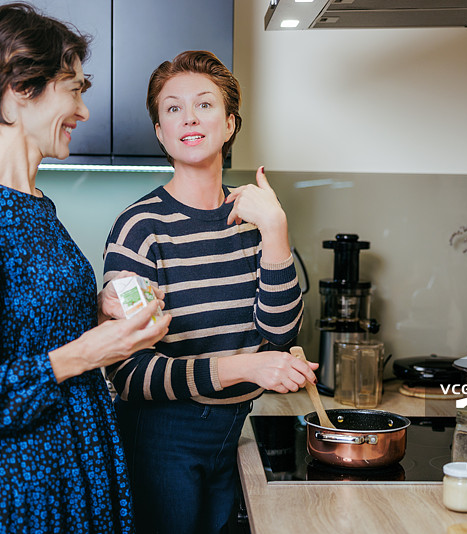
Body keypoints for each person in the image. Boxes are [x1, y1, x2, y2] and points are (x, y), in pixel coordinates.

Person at [0, 4, 170, 533]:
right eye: (74, 88)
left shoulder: (34, 204)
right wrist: (90, 352)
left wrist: (99, 311)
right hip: (13, 497)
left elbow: (29, 320)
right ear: (23, 89)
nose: (84, 110)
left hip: (75, 472)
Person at [102, 50, 317, 534]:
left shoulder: (254, 216)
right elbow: (129, 371)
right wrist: (242, 367)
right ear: (160, 131)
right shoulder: (141, 228)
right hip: (160, 441)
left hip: (233, 432)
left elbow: (279, 335)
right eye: (173, 108)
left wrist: (276, 231)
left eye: (204, 105)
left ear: (229, 123)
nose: (189, 118)